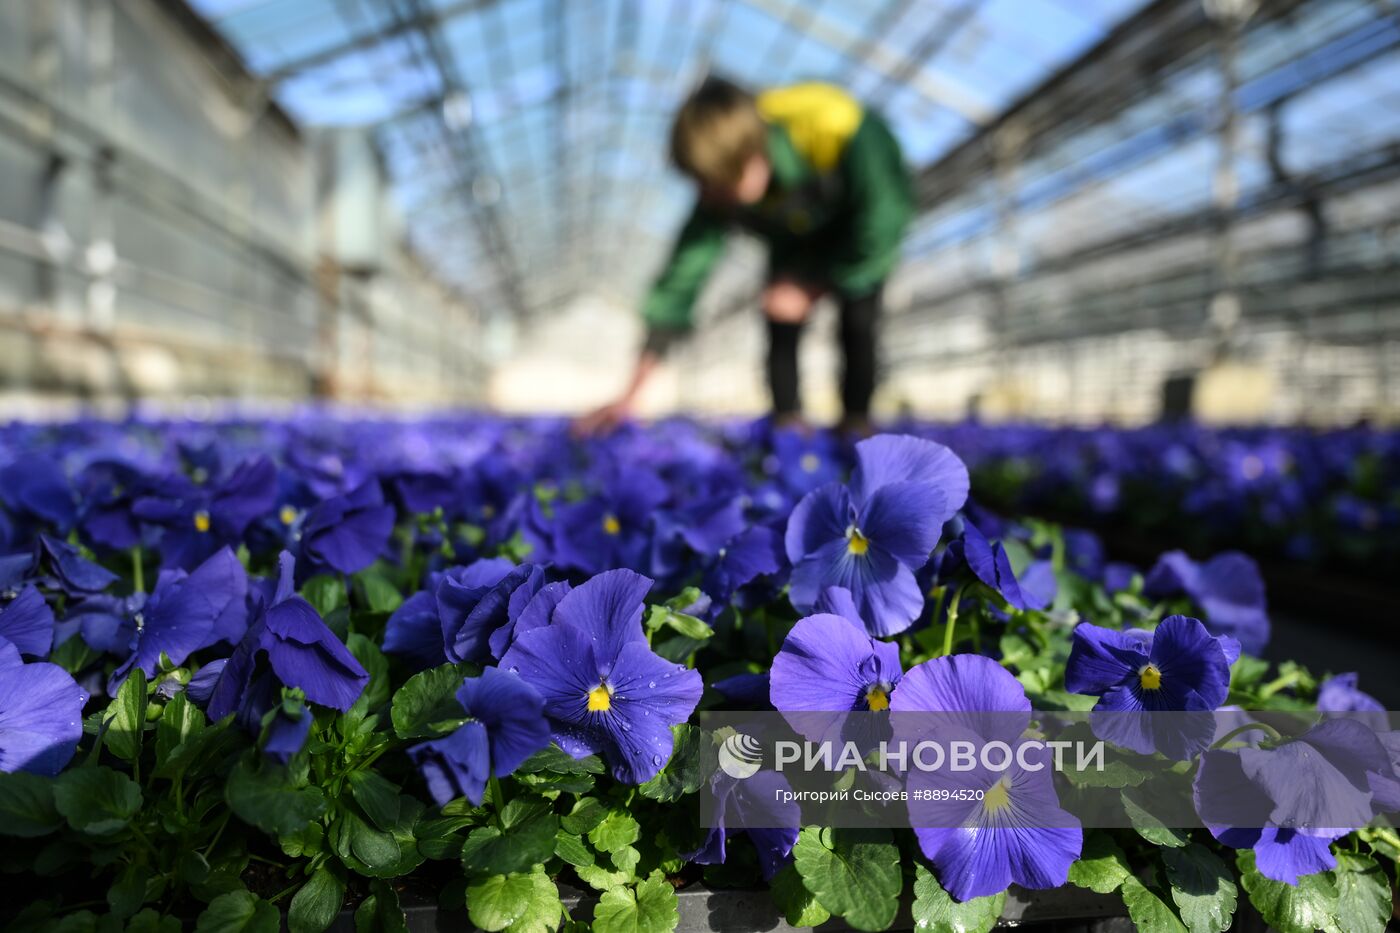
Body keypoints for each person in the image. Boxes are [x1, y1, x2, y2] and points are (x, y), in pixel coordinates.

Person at [577, 77, 914, 435]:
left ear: (752, 152)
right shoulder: (719, 185)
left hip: (855, 227)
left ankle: (857, 425)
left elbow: (884, 219)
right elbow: (680, 282)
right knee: (778, 310)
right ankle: (788, 429)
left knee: (859, 317)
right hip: (794, 235)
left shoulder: (836, 124)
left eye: (719, 184)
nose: (712, 196)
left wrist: (814, 284)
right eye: (705, 186)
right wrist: (630, 396)